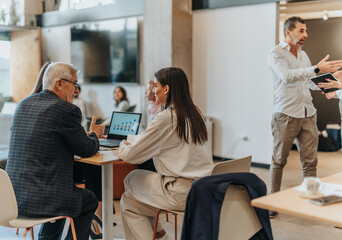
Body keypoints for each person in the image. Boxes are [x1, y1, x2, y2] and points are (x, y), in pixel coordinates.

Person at [5, 62, 105, 240]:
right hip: (43, 199)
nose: (76, 90)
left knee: (62, 192)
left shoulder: (24, 104)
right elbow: (87, 149)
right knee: (88, 200)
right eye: (74, 84)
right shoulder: (66, 110)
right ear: (59, 83)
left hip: (13, 199)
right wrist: (94, 136)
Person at [118, 67, 214, 240]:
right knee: (130, 202)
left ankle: (161, 235)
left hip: (180, 192)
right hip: (204, 189)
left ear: (167, 89)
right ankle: (161, 235)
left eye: (156, 86)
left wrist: (122, 145)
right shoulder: (195, 113)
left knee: (131, 179)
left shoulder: (166, 117)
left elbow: (130, 156)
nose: (154, 91)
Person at [268, 16, 342, 218]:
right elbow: (287, 77)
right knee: (279, 161)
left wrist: (329, 81)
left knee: (310, 163)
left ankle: (310, 201)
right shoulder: (275, 53)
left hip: (308, 114)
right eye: (301, 31)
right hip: (285, 114)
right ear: (288, 32)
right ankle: (272, 203)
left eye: (305, 31)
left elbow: (307, 82)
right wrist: (317, 69)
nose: (306, 35)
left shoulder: (304, 55)